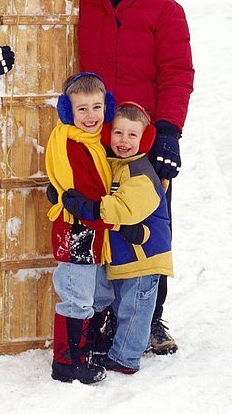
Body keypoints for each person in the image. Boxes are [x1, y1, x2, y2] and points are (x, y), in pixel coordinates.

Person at [0, 0, 194, 353]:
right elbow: (42, 40)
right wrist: (8, 52)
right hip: (92, 137)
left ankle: (149, 319)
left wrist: (169, 134)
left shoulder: (166, 10)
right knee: (96, 224)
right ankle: (98, 317)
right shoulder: (78, 4)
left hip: (142, 139)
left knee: (146, 229)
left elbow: (177, 74)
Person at [61, 102, 173, 373]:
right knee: (122, 305)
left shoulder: (142, 175)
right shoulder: (112, 164)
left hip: (144, 258)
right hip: (124, 256)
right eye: (119, 133)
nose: (124, 141)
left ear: (144, 139)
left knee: (134, 309)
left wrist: (85, 207)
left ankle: (126, 357)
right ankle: (129, 343)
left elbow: (120, 209)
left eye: (132, 135)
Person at [44, 71, 115, 384]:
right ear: (67, 112)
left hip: (92, 232)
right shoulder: (74, 145)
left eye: (97, 107)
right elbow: (86, 195)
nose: (91, 116)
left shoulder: (94, 142)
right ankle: (67, 361)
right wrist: (116, 216)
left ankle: (90, 345)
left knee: (100, 291)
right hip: (77, 230)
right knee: (77, 294)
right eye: (82, 109)